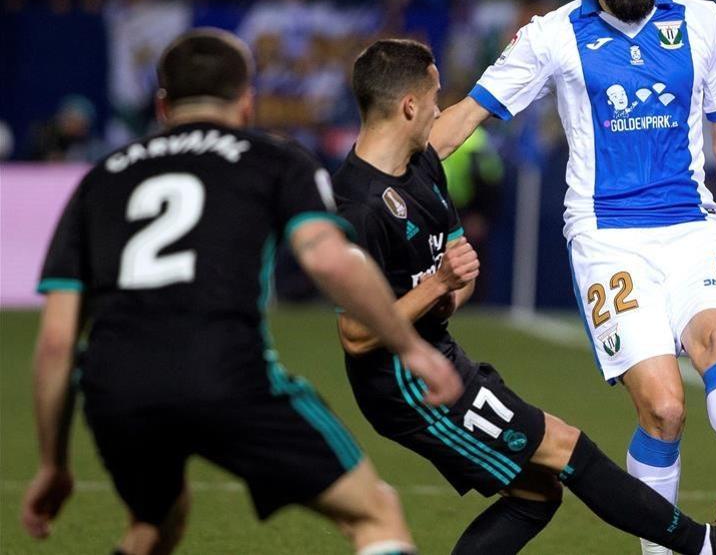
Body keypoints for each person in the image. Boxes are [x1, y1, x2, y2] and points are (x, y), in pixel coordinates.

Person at [19, 28, 462, 555]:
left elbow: (55, 343)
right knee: (374, 513)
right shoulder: (273, 159)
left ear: (162, 105)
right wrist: (411, 347)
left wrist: (53, 464)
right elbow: (327, 257)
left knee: (153, 526)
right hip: (226, 372)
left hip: (117, 385)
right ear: (246, 100)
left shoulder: (101, 178)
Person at [334, 38, 716, 555]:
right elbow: (356, 333)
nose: (440, 108)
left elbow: (459, 270)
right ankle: (710, 545)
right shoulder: (360, 206)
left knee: (536, 493)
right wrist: (438, 286)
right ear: (409, 106)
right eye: (435, 97)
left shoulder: (422, 166)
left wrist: (449, 290)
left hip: (439, 357)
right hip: (404, 385)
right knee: (567, 448)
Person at [430, 0, 716, 552]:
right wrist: (386, 165)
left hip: (690, 225)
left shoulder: (703, 22)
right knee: (665, 407)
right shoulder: (552, 36)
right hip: (608, 240)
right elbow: (464, 121)